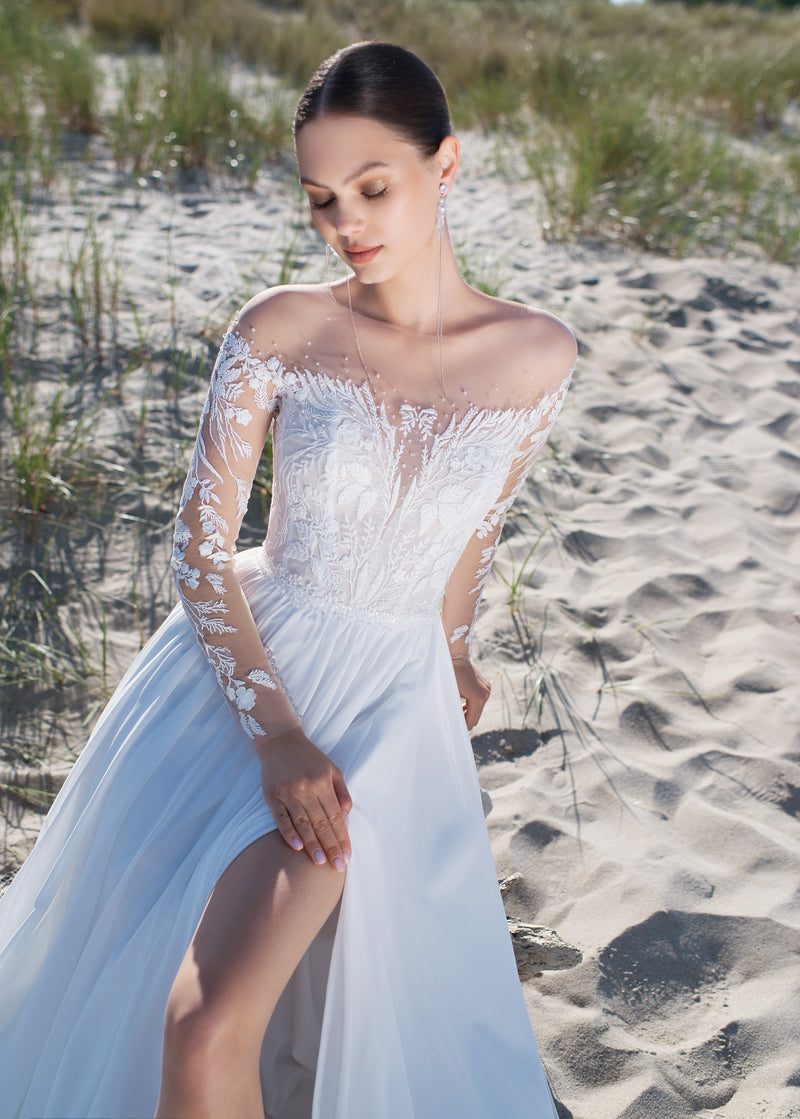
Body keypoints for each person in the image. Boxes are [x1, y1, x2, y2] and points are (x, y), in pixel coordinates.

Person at [0, 41, 576, 1119]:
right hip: (250, 688)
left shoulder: (536, 354)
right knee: (202, 1021)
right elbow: (197, 550)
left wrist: (452, 644)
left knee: (271, 1014)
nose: (345, 223)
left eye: (373, 188)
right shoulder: (282, 329)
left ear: (443, 166)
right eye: (320, 199)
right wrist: (276, 734)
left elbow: (472, 533)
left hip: (393, 707)